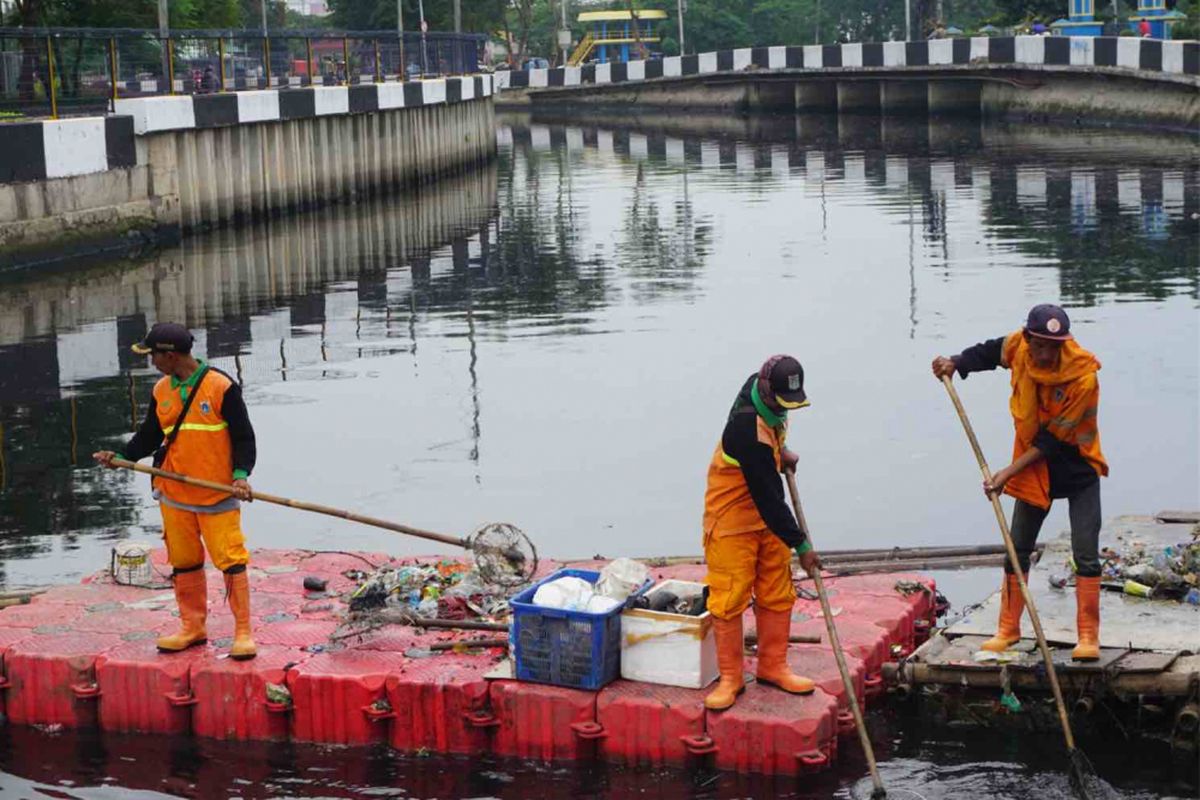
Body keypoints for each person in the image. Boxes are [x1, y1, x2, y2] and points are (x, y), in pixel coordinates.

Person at [931, 304, 1107, 661]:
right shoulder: (1019, 348)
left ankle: (1088, 636)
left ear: (1063, 345)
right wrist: (955, 362)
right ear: (1028, 338)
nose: (1044, 354)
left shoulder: (1083, 376)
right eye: (1039, 344)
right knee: (1017, 548)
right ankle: (1008, 629)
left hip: (1077, 469)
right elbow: (990, 352)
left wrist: (1006, 474)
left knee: (1085, 551)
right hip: (1034, 471)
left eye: (1052, 347)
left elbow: (1051, 442)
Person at [94, 323, 258, 661]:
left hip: (216, 494)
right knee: (184, 562)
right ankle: (192, 627)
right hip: (174, 492)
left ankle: (242, 632)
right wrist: (122, 458)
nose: (151, 361)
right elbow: (151, 435)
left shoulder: (221, 387)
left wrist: (240, 476)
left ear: (169, 355)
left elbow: (244, 437)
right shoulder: (161, 390)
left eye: (153, 355)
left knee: (231, 560)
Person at [701, 355, 822, 710]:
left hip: (765, 515)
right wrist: (802, 545)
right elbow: (770, 499)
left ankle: (773, 666)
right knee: (730, 596)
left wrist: (780, 450)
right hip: (733, 518)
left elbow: (768, 487)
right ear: (767, 395)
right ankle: (731, 678)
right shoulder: (745, 428)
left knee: (776, 589)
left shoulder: (761, 386)